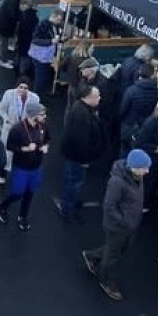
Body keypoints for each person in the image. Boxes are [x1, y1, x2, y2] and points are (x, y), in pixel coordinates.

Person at [82, 149, 151, 300]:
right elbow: (109, 206)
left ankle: (92, 256)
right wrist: (123, 221)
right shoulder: (117, 182)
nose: (147, 171)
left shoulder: (137, 177)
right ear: (134, 167)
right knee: (112, 256)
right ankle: (105, 280)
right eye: (144, 168)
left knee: (120, 248)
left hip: (130, 224)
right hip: (118, 227)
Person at [0, 101, 49, 232]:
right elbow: (10, 146)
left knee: (30, 193)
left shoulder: (43, 126)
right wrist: (25, 148)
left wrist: (46, 146)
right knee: (17, 193)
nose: (45, 117)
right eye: (42, 114)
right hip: (21, 167)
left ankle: (23, 216)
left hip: (37, 166)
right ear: (33, 115)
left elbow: (48, 139)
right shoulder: (18, 129)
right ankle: (2, 206)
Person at [59, 84, 106, 223]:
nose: (100, 98)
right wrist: (84, 160)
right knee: (75, 182)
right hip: (77, 157)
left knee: (70, 180)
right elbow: (81, 140)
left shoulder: (79, 106)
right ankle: (68, 210)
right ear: (88, 97)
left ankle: (68, 202)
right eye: (97, 96)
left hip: (71, 153)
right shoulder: (83, 114)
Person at [0, 77, 39, 178]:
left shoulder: (34, 98)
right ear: (17, 87)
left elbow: (35, 114)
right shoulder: (9, 94)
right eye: (20, 87)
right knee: (7, 151)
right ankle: (2, 172)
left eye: (25, 88)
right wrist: (7, 119)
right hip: (10, 128)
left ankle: (18, 172)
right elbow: (1, 108)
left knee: (22, 151)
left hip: (25, 129)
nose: (22, 90)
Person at [118, 63, 158, 156]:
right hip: (147, 126)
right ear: (152, 75)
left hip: (130, 125)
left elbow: (123, 110)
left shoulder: (131, 90)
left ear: (139, 73)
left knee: (126, 149)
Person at [28, 8, 64, 95]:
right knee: (40, 78)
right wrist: (51, 41)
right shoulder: (42, 25)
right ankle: (37, 97)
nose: (59, 22)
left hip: (46, 56)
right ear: (53, 16)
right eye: (58, 19)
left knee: (43, 77)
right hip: (40, 56)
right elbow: (35, 40)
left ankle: (41, 95)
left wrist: (60, 40)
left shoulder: (55, 25)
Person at [15, 0, 38, 77]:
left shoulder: (23, 15)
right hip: (29, 41)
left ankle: (17, 68)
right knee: (26, 57)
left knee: (20, 55)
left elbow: (18, 27)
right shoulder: (35, 18)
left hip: (21, 39)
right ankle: (23, 74)